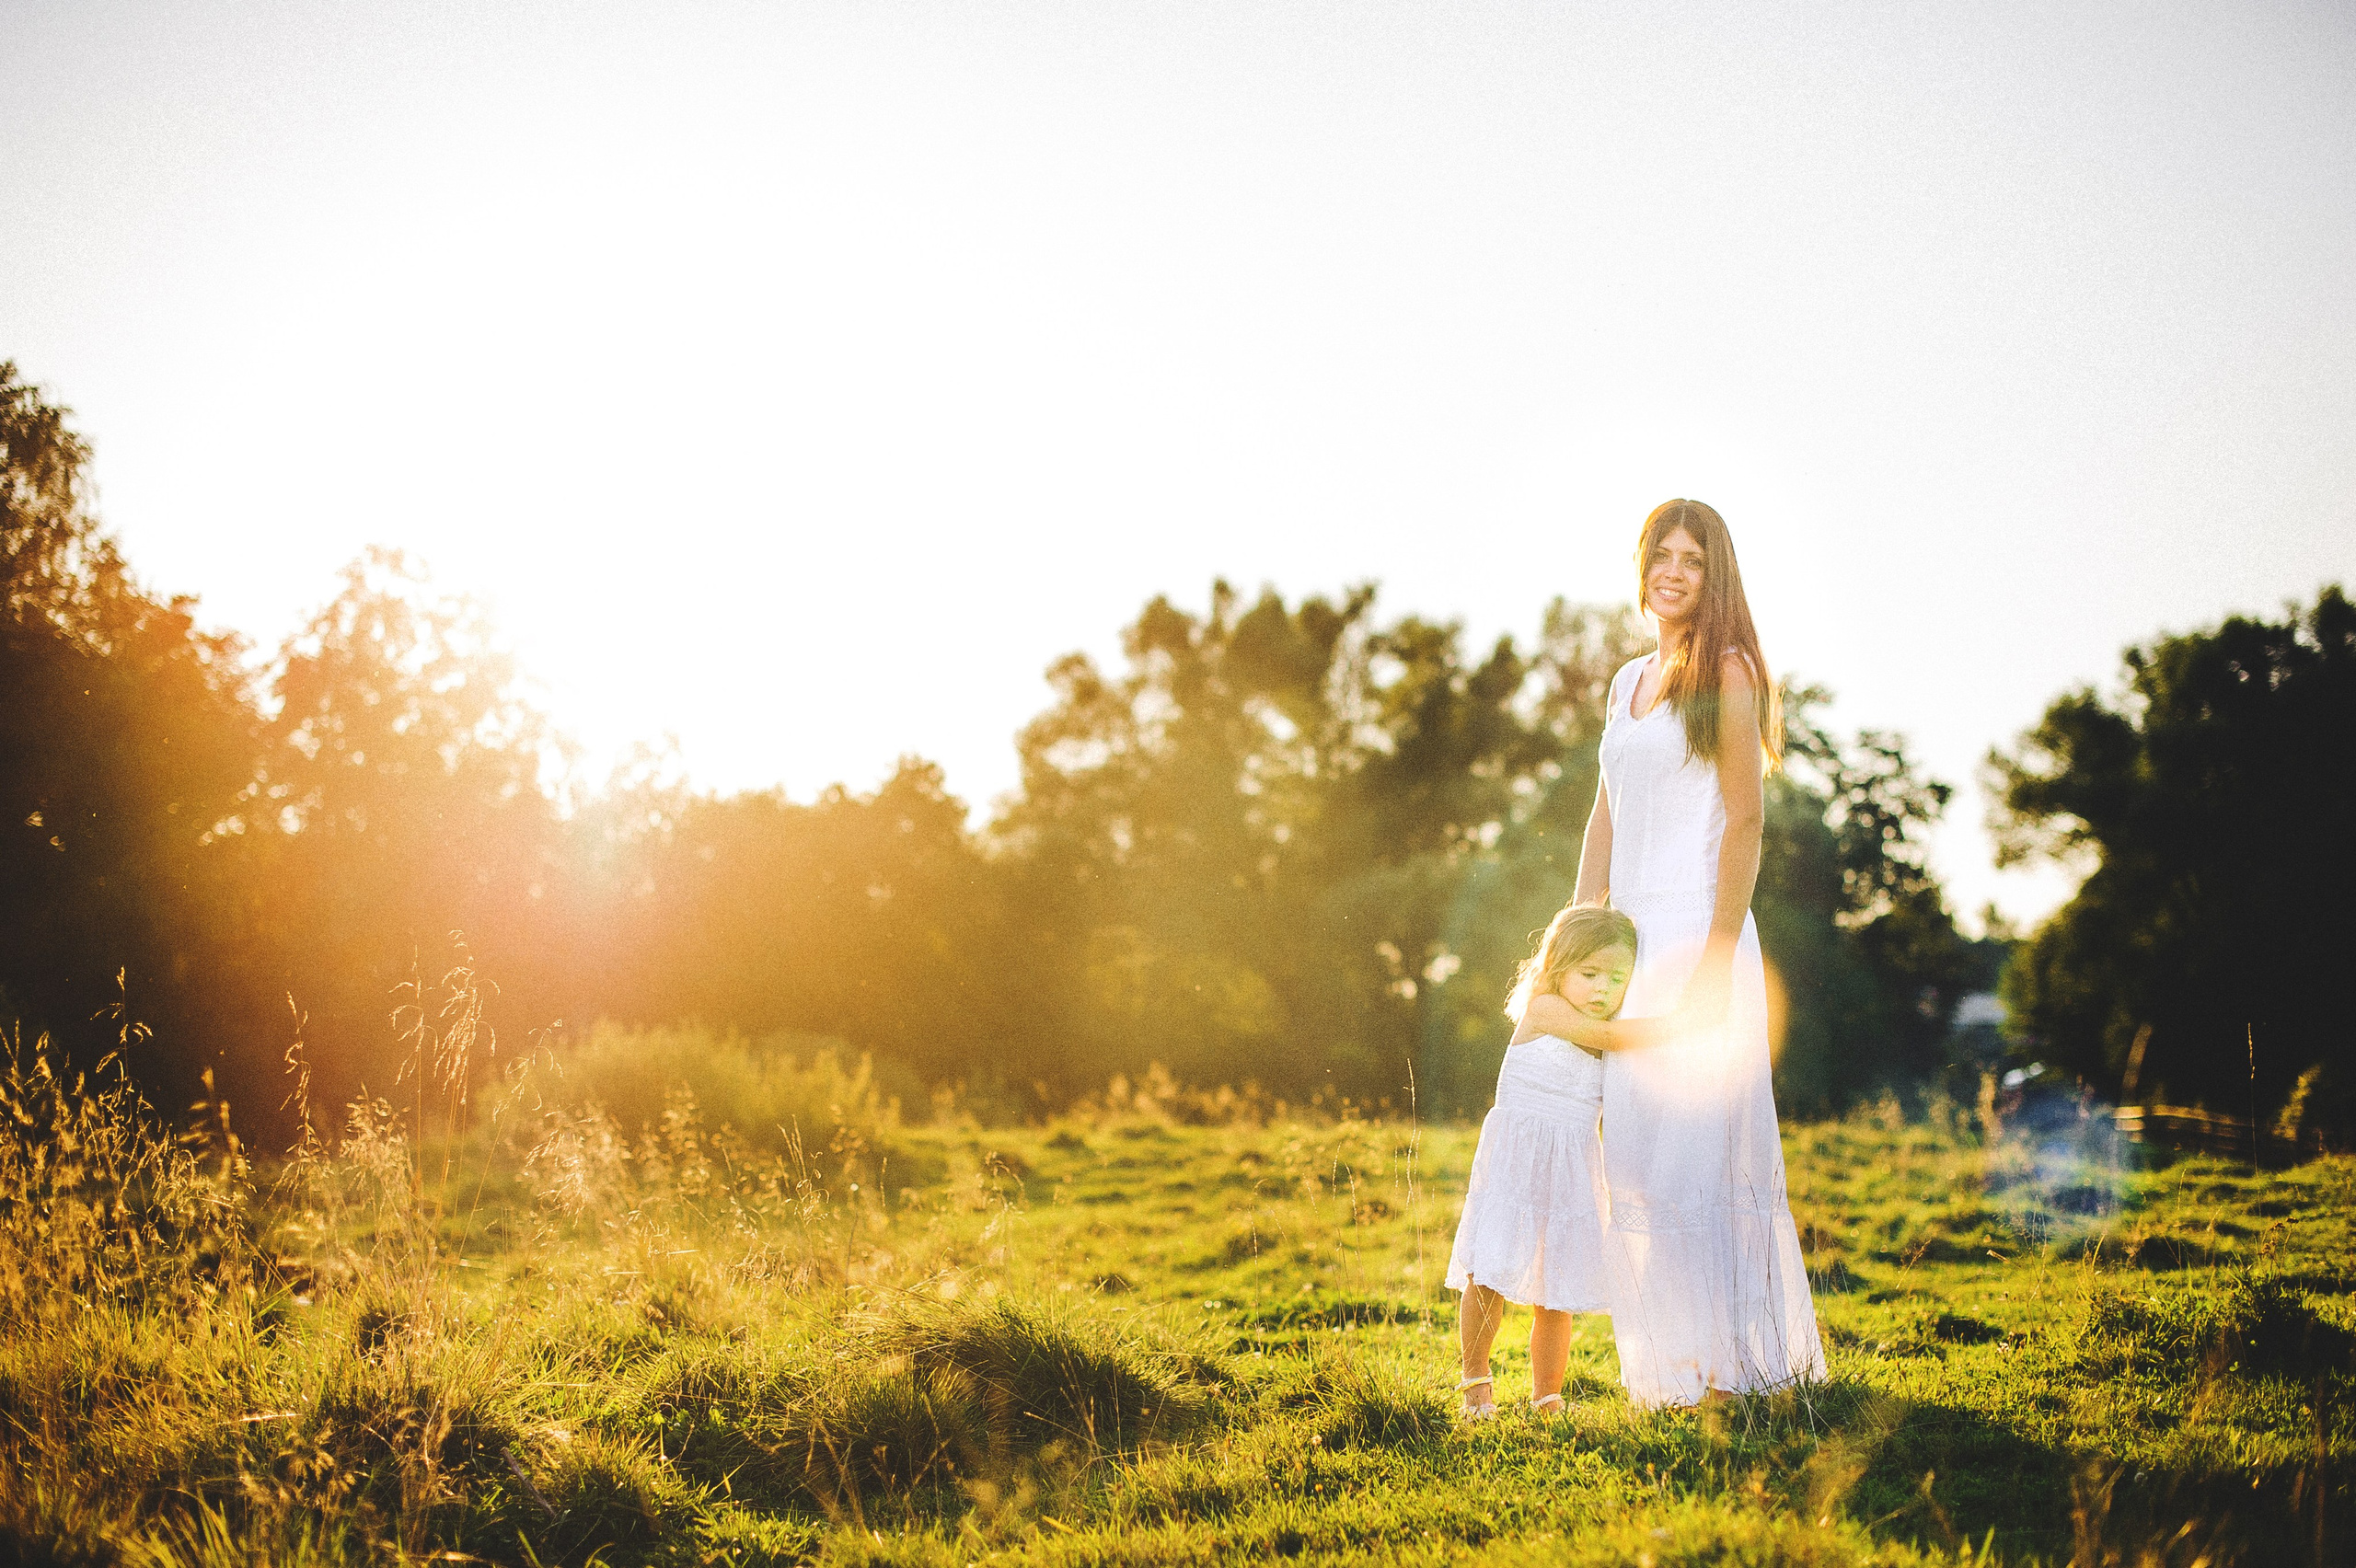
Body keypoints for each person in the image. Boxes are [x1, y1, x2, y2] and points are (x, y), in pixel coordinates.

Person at [1523, 498, 1827, 1408]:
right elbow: (1606, 812)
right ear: (1642, 564)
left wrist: (1715, 956)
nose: (1673, 570)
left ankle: (1728, 1375)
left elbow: (1743, 818)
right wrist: (1571, 943)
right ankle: (1667, 1374)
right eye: (1662, 552)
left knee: (1696, 1160)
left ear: (1714, 574)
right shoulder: (1625, 682)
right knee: (1637, 1166)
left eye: (1693, 559)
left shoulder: (1725, 671)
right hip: (1625, 947)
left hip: (1699, 934)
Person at [1443, 904, 1639, 1417]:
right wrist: (1684, 1022)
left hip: (1572, 1165)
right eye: (1589, 974)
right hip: (1519, 1158)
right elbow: (1618, 1038)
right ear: (1557, 969)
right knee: (1489, 1272)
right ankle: (1475, 1383)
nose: (1602, 988)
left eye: (1616, 978)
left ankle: (1547, 1396)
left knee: (1558, 1289)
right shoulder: (1546, 1009)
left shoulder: (1609, 1026)